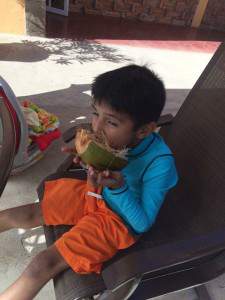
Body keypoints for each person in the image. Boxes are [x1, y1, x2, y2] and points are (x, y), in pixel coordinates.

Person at [0, 65, 178, 300]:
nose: (96, 127)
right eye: (95, 113)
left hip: (118, 221)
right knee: (16, 215)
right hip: (96, 193)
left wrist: (119, 188)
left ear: (144, 130)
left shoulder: (161, 165)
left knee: (42, 264)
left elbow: (142, 223)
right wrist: (88, 158)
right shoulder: (115, 141)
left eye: (111, 122)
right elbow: (102, 159)